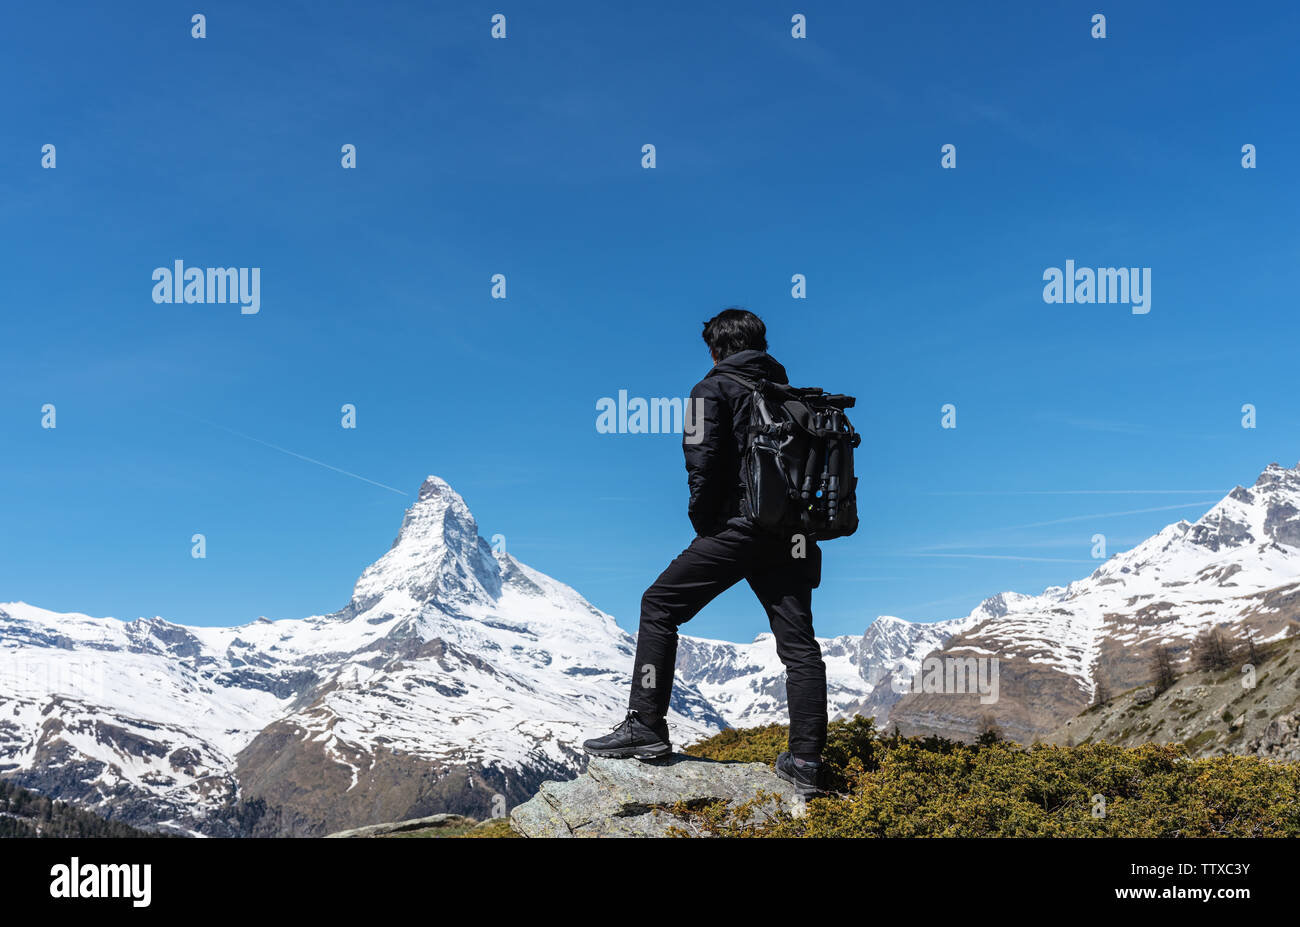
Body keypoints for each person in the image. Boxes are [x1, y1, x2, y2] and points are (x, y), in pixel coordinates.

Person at [583, 308, 829, 795]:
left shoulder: (710, 390)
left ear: (716, 349)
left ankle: (647, 727)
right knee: (800, 649)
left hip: (737, 530)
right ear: (760, 344)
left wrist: (707, 524)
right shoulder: (791, 397)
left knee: (659, 606)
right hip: (793, 538)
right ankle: (806, 760)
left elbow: (702, 462)